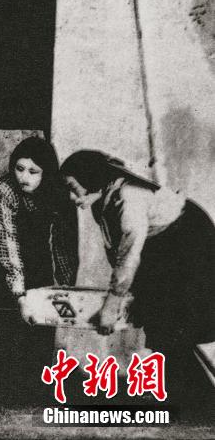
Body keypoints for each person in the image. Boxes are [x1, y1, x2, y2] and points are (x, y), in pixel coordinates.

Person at [60, 150, 215, 418]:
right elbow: (116, 250)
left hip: (190, 241)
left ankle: (198, 401)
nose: (72, 198)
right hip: (164, 250)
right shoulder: (103, 199)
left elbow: (129, 255)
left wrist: (113, 303)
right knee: (160, 323)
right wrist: (128, 294)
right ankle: (190, 397)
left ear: (90, 178)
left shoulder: (128, 196)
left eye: (74, 189)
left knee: (175, 324)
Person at [0, 136, 78, 403]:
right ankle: (9, 386)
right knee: (7, 307)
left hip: (33, 243)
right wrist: (19, 294)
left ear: (47, 173)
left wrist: (64, 288)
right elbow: (7, 245)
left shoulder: (58, 193)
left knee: (41, 303)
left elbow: (63, 246)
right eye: (19, 169)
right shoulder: (4, 190)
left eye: (33, 171)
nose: (24, 177)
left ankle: (38, 383)